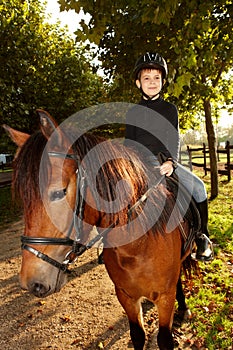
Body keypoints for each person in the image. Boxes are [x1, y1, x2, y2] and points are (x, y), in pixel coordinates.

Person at [125, 52, 213, 261]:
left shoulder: (170, 109)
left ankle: (202, 237)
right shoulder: (133, 112)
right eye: (147, 78)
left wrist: (171, 162)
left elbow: (173, 139)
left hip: (166, 163)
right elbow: (129, 143)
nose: (152, 82)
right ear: (138, 83)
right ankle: (108, 242)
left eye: (157, 78)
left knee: (199, 187)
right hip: (139, 164)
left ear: (163, 82)